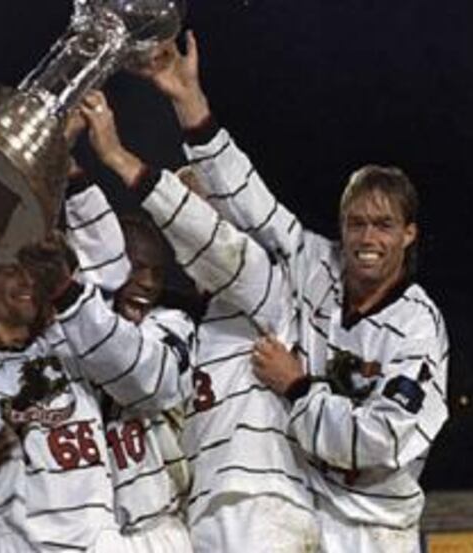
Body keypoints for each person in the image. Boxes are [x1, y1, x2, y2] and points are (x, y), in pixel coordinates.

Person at [139, 32, 448, 552]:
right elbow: (249, 201)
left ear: (409, 234)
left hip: (378, 525)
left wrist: (299, 387)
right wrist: (188, 101)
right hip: (312, 506)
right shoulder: (316, 266)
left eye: (384, 225)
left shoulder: (417, 324)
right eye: (356, 224)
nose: (368, 239)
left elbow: (385, 439)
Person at [0, 141, 194, 552]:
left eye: (29, 270)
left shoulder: (70, 348)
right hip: (16, 541)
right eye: (10, 270)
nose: (27, 279)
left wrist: (65, 173)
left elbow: (110, 270)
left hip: (98, 536)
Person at [81, 90, 320, 552]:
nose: (181, 224)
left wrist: (116, 157)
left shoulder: (268, 293)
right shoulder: (188, 321)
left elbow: (216, 245)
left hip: (264, 509)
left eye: (195, 209)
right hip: (203, 518)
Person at [103, 214, 195, 552]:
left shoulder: (172, 326)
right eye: (136, 267)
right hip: (92, 530)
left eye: (157, 273)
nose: (148, 282)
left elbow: (137, 376)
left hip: (157, 528)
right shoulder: (65, 337)